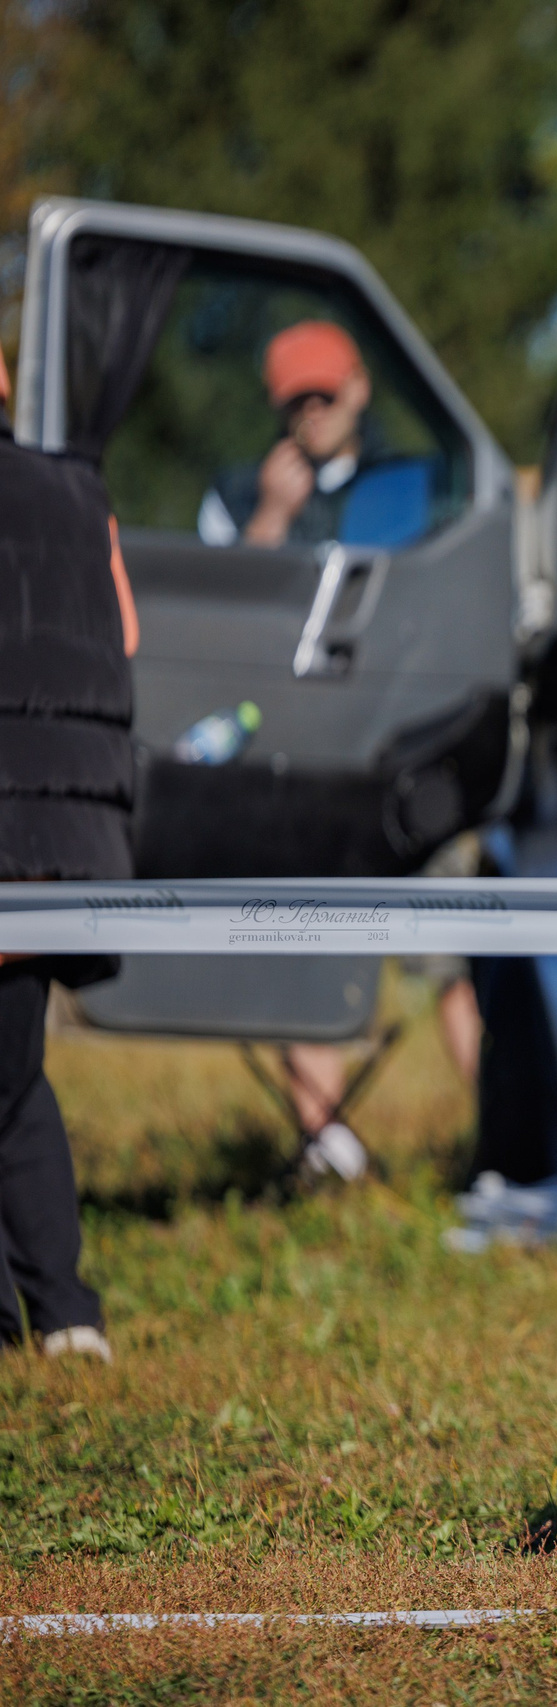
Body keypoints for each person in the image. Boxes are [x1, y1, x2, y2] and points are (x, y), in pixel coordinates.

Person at [0, 355, 136, 1363]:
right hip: (67, 830)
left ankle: (24, 1322)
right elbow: (124, 634)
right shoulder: (79, 490)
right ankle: (67, 1316)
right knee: (15, 1064)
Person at [197, 320, 427, 550]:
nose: (312, 410)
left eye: (326, 394)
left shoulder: (410, 482)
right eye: (297, 398)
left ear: (359, 388)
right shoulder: (235, 494)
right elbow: (217, 583)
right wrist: (271, 516)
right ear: (278, 406)